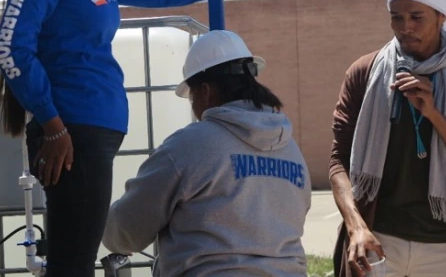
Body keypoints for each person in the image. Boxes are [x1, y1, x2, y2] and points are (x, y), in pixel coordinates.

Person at [0, 0, 272, 275]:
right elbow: (13, 48)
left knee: (75, 260)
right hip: (72, 135)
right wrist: (53, 127)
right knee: (71, 264)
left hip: (90, 133)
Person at [329, 0, 446, 277]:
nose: (405, 27)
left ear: (441, 17)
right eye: (396, 17)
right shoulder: (364, 73)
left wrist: (434, 114)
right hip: (378, 241)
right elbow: (338, 162)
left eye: (416, 17)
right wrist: (356, 227)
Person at [102, 30, 311, 276]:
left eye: (191, 97)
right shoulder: (290, 148)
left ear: (206, 91)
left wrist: (103, 226)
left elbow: (127, 231)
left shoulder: (190, 146)